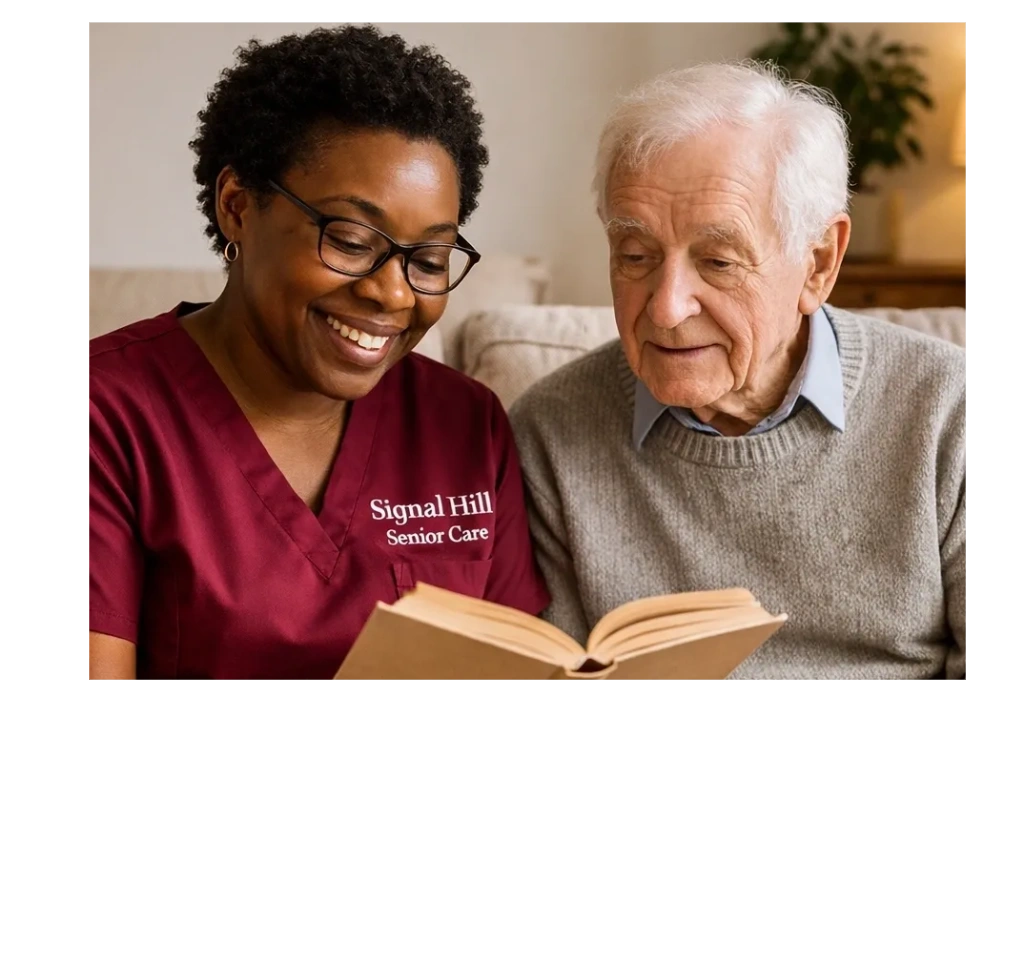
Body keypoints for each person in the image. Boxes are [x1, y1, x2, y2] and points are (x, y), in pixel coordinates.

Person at [88, 25, 550, 680]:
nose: (392, 292)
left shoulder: (467, 425)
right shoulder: (108, 416)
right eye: (352, 240)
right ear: (238, 207)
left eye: (428, 259)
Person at [509, 61, 966, 680]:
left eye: (718, 261)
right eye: (636, 255)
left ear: (818, 264)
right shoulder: (550, 429)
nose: (666, 308)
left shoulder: (949, 412)